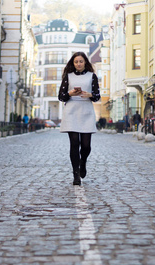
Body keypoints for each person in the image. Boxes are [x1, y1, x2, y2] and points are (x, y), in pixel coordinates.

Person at [58, 52, 101, 186]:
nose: (78, 64)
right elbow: (61, 96)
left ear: (85, 62)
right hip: (71, 110)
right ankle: (76, 174)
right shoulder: (68, 76)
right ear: (73, 63)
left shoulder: (92, 76)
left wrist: (89, 94)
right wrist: (70, 93)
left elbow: (97, 96)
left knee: (86, 146)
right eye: (76, 62)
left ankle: (83, 163)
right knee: (74, 144)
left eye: (81, 61)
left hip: (86, 111)